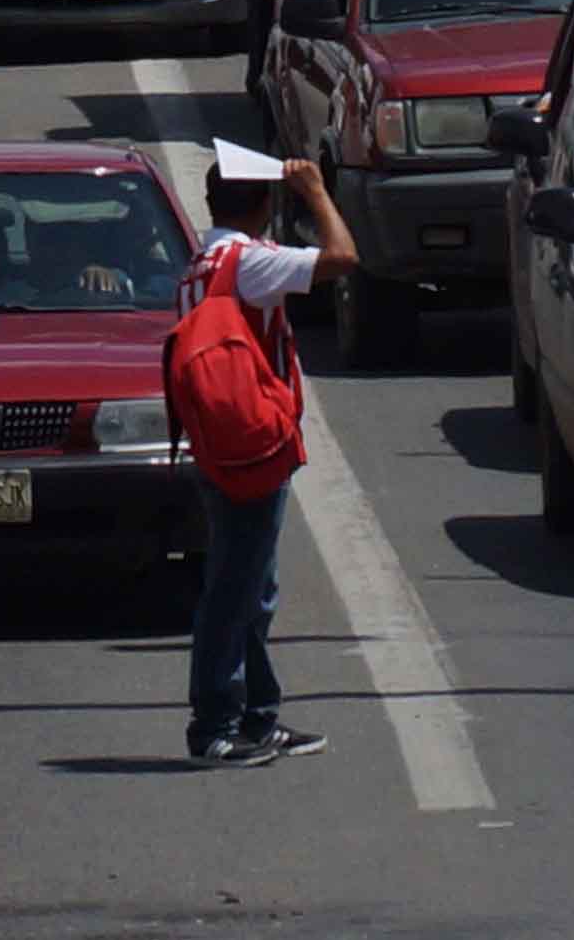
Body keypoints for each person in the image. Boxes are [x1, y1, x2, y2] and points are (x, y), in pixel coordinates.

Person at [179, 146, 356, 765]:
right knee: (235, 590)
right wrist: (315, 191)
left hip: (219, 440)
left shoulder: (203, 262)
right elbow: (343, 256)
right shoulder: (249, 262)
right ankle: (214, 725)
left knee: (253, 585)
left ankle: (258, 716)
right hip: (252, 442)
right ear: (261, 205)